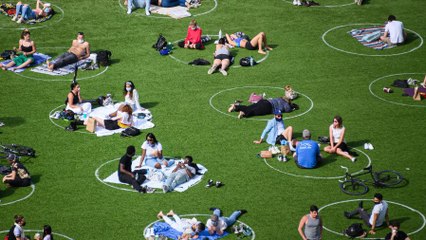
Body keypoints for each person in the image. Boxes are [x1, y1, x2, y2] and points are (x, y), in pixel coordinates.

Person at [228, 96, 297, 119]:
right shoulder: (285, 104)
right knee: (254, 111)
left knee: (251, 107)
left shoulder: (279, 98)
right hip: (268, 107)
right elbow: (288, 109)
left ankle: (236, 107)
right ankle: (243, 113)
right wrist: (293, 106)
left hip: (264, 101)